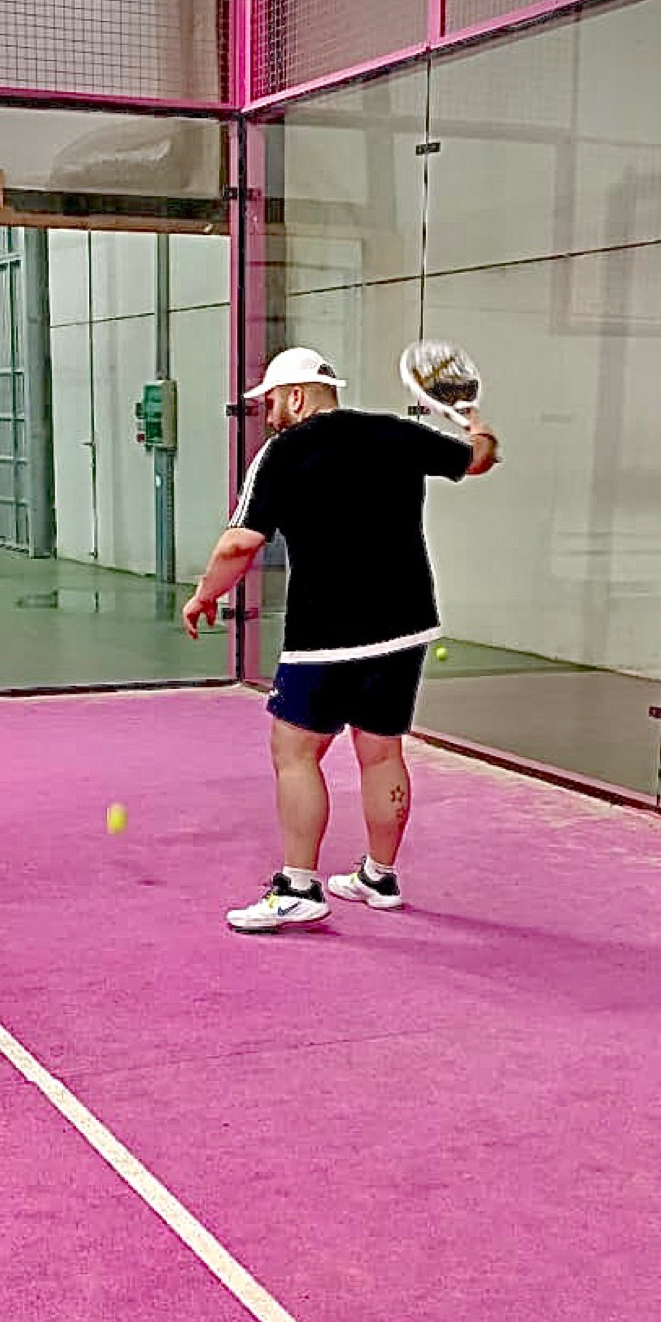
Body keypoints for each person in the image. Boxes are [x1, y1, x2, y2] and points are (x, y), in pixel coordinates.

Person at [183, 345, 500, 933]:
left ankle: (298, 888)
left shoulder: (282, 453)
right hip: (405, 628)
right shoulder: (397, 433)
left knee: (295, 752)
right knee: (382, 751)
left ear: (297, 395)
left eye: (272, 402)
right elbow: (478, 459)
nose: (268, 414)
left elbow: (240, 543)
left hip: (324, 637)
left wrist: (205, 594)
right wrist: (477, 426)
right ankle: (379, 876)